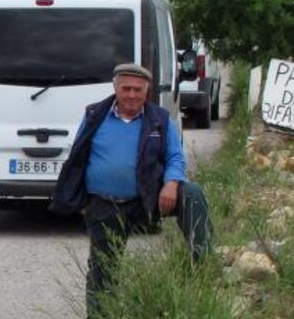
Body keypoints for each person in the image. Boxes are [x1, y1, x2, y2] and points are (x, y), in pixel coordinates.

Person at [50, 63, 213, 317]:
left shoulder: (159, 119)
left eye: (138, 90)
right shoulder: (95, 115)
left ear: (146, 92)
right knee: (104, 270)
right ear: (116, 89)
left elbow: (175, 158)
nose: (132, 95)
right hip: (104, 204)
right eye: (126, 89)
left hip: (146, 200)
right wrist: (82, 201)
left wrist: (171, 184)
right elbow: (78, 156)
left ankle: (202, 262)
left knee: (190, 193)